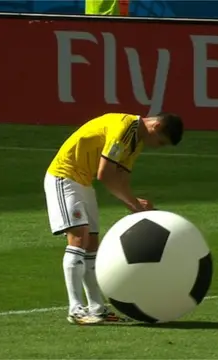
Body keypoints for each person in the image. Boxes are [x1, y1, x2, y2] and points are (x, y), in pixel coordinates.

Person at [43, 112, 184, 325]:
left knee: (91, 244)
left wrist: (133, 203)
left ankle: (97, 310)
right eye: (161, 142)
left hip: (82, 181)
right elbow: (105, 174)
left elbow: (121, 178)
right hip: (64, 176)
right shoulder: (124, 128)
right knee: (79, 238)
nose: (158, 146)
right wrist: (134, 206)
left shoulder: (136, 143)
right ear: (155, 127)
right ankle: (75, 309)